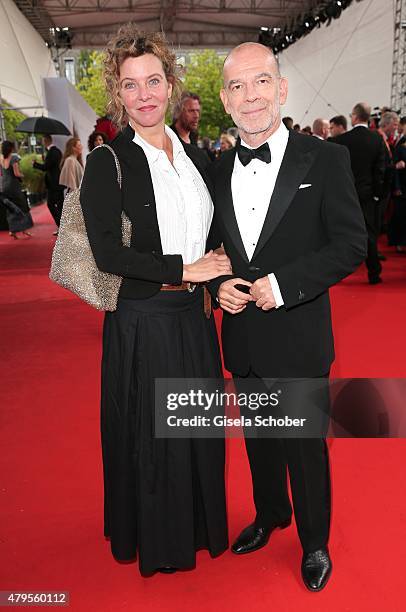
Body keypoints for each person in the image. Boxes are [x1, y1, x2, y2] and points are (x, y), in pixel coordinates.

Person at [207, 42, 367, 591]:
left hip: (298, 335)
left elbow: (351, 243)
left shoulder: (324, 158)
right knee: (259, 440)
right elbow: (213, 249)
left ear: (281, 88)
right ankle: (271, 513)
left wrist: (286, 284)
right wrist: (219, 285)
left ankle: (315, 540)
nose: (250, 96)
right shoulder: (216, 168)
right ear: (225, 101)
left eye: (260, 82)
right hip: (245, 338)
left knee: (304, 446)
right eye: (236, 86)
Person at [79, 23, 231, 576]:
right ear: (117, 95)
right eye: (129, 84)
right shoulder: (106, 162)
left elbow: (210, 234)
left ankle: (195, 525)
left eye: (153, 81)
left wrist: (214, 277)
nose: (143, 94)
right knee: (153, 437)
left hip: (193, 318)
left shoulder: (194, 159)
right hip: (143, 321)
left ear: (170, 85)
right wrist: (183, 268)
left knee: (195, 429)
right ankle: (158, 539)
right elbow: (106, 254)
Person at [334, 103, 386, 284]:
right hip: (367, 195)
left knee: (341, 234)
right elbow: (380, 170)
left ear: (354, 117)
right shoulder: (376, 139)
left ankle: (337, 272)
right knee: (369, 235)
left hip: (344, 195)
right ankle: (374, 273)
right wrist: (377, 194)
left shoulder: (340, 140)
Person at [0, 140, 33, 238]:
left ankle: (12, 230)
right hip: (13, 186)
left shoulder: (1, 159)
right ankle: (25, 229)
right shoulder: (14, 158)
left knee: (10, 208)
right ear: (11, 148)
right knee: (22, 206)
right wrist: (24, 176)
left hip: (4, 186)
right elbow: (16, 173)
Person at [33, 135, 64, 234]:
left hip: (53, 183)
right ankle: (63, 227)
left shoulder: (51, 152)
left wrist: (35, 164)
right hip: (58, 181)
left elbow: (46, 167)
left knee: (51, 204)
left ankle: (60, 226)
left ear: (46, 141)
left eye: (43, 141)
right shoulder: (58, 151)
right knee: (60, 205)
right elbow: (52, 165)